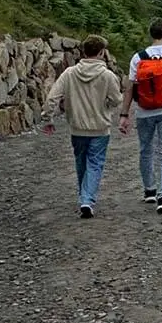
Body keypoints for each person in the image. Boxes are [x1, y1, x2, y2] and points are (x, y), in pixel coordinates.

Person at [42, 35, 123, 219]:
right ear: (102, 52)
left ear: (84, 52)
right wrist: (107, 104)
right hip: (100, 128)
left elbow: (52, 97)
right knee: (95, 163)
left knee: (81, 162)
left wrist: (48, 118)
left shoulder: (69, 73)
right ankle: (87, 200)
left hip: (77, 128)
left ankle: (84, 196)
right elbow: (117, 99)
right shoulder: (107, 75)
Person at [120, 18, 162, 214]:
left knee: (145, 149)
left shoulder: (138, 57)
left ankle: (150, 190)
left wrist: (125, 113)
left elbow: (130, 88)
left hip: (144, 111)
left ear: (151, 33)